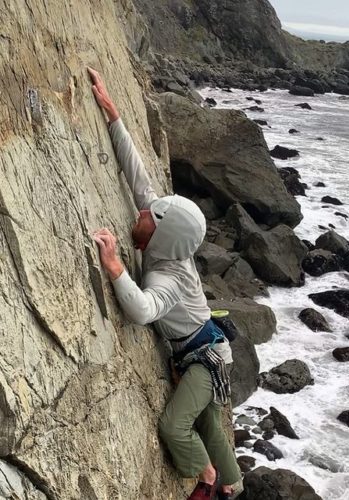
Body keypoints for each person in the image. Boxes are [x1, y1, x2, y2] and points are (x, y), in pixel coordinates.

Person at [87, 67, 241, 500]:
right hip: (202, 348)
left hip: (205, 357)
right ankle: (235, 484)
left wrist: (115, 266)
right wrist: (114, 114)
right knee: (208, 419)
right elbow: (137, 176)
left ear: (160, 233)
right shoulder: (163, 236)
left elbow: (141, 311)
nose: (140, 212)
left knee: (177, 424)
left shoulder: (168, 275)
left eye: (147, 216)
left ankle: (207, 478)